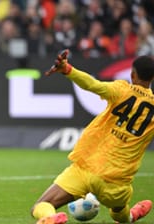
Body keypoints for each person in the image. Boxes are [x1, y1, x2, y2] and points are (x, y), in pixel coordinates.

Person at [31, 49, 153, 224]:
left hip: (87, 168)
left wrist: (67, 70)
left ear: (132, 74)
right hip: (117, 183)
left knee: (41, 205)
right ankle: (131, 217)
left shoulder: (121, 90)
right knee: (119, 209)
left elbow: (92, 85)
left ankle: (49, 218)